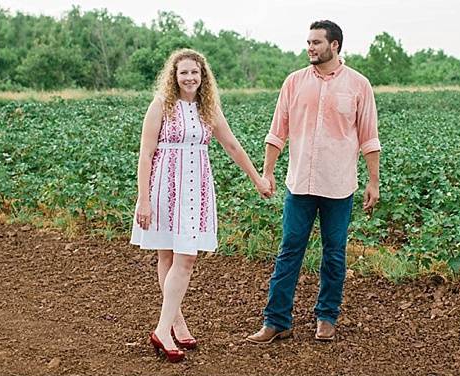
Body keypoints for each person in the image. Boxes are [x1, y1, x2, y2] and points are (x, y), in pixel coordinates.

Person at [131, 48, 272, 362]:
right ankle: (168, 327)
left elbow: (232, 145)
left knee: (187, 258)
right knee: (167, 255)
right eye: (184, 72)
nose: (190, 77)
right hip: (164, 187)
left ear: (203, 75)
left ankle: (168, 325)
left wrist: (257, 178)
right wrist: (143, 199)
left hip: (195, 187)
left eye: (195, 72)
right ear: (174, 75)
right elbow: (145, 154)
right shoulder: (161, 105)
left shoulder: (209, 109)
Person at [246, 20, 381, 344]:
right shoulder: (293, 83)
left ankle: (326, 317)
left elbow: (369, 138)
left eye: (317, 42)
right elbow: (278, 131)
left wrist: (373, 181)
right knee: (289, 250)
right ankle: (276, 321)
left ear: (335, 45)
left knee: (334, 253)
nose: (310, 47)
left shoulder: (358, 85)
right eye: (308, 42)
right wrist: (267, 172)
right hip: (299, 186)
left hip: (338, 185)